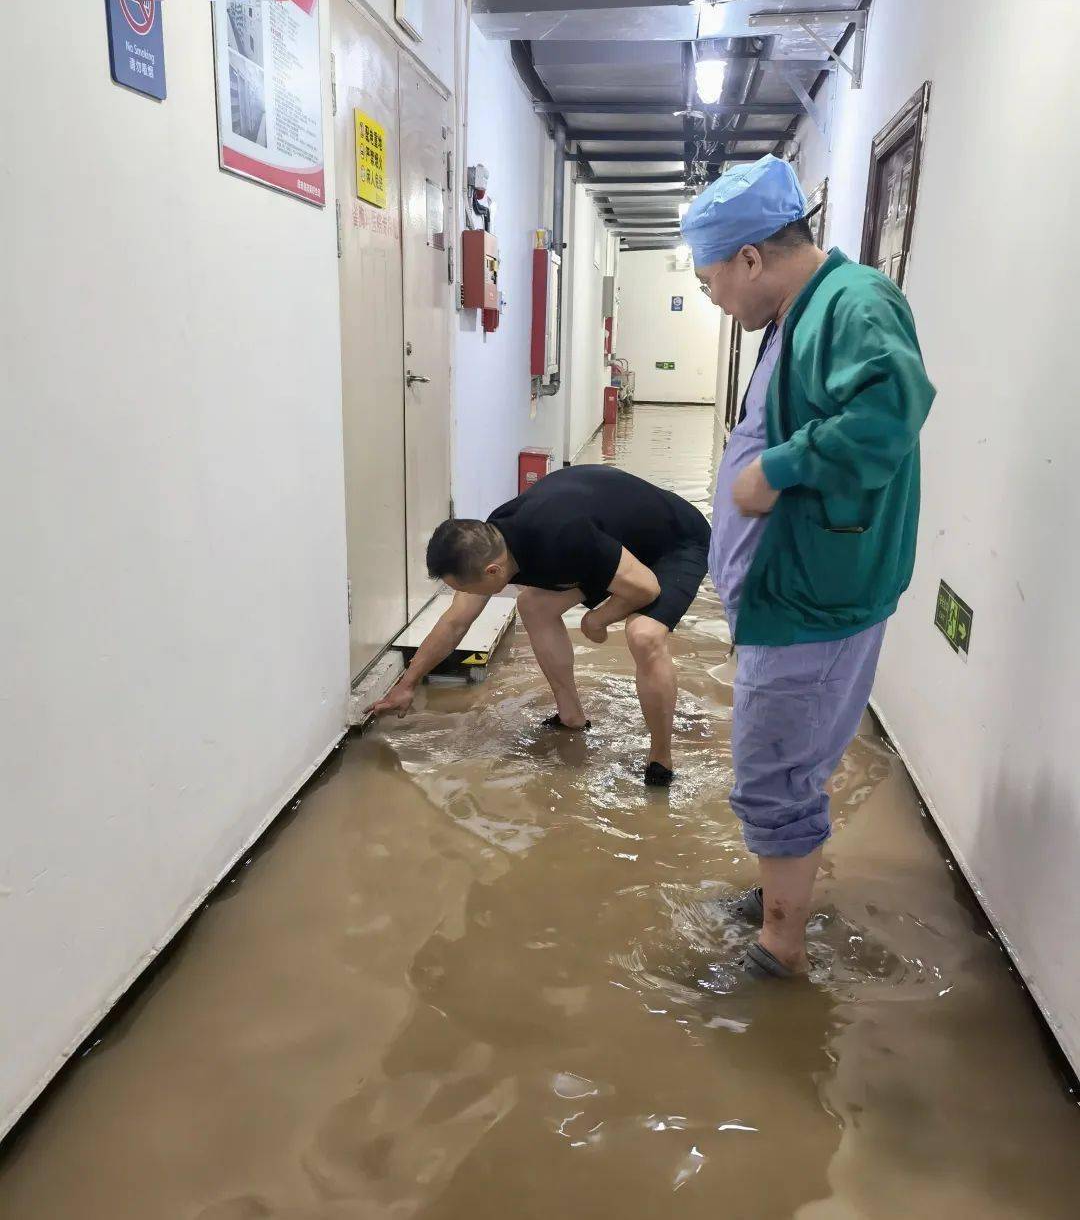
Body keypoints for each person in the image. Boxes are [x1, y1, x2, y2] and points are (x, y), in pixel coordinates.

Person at [682, 154, 935, 980]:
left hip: (811, 602)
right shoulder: (802, 313)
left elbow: (889, 412)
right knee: (793, 762)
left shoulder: (853, 302)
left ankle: (778, 952)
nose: (716, 300)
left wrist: (776, 469)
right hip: (793, 596)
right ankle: (781, 895)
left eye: (712, 282)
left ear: (751, 258)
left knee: (773, 775)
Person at [370, 465, 711, 784]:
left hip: (674, 542)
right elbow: (455, 622)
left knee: (644, 634)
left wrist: (597, 619)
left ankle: (661, 759)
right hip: (612, 542)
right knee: (533, 605)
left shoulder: (562, 537)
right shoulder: (491, 542)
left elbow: (646, 588)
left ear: (492, 572)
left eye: (464, 589)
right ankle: (571, 716)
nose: (464, 595)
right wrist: (407, 683)